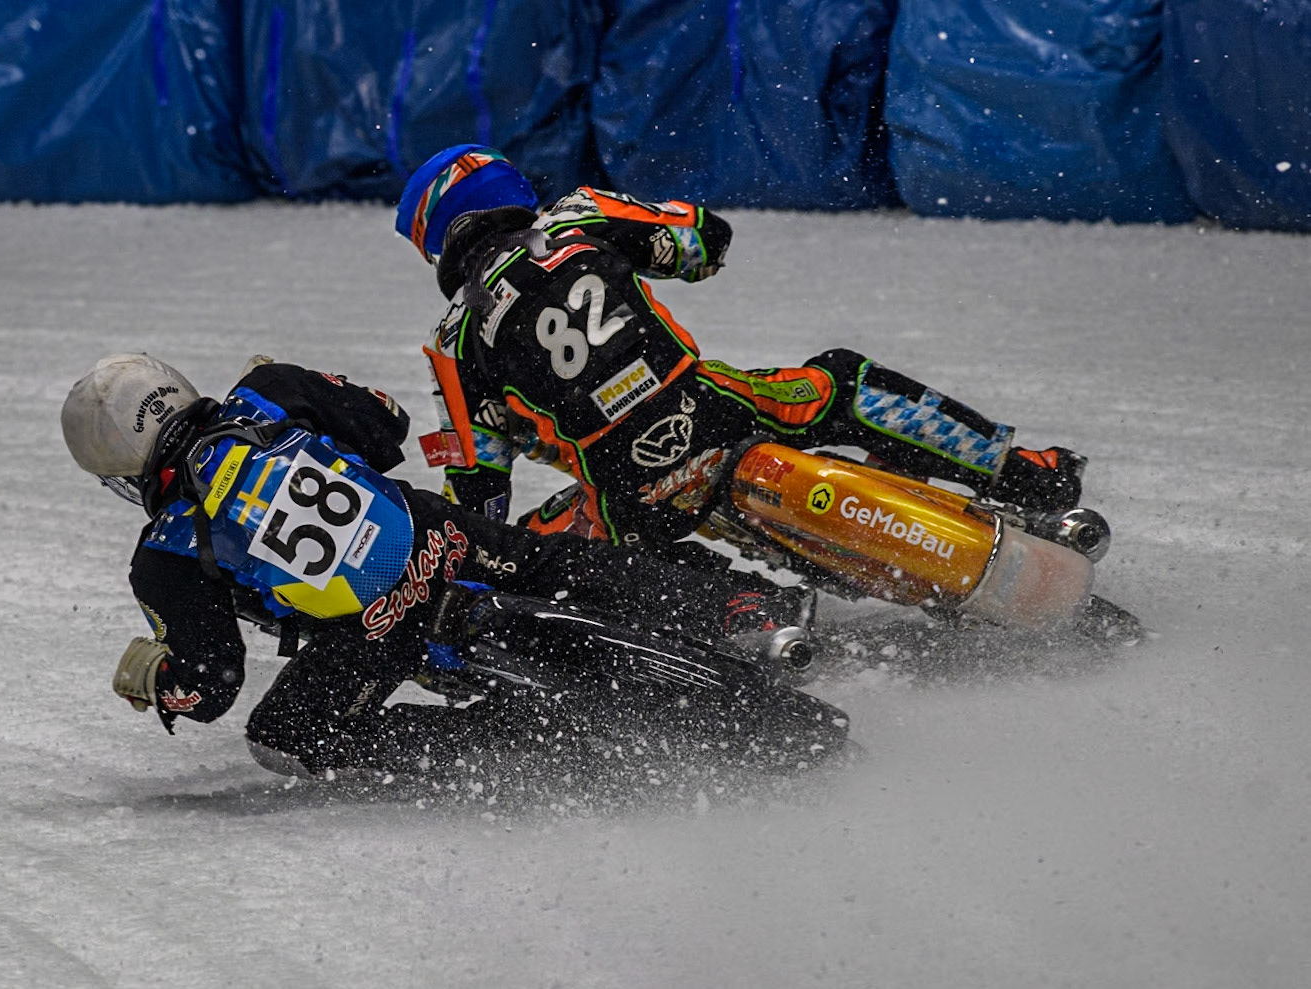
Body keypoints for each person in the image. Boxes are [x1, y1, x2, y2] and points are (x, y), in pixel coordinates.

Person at [60, 353, 839, 781]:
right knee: (553, 556)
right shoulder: (266, 392)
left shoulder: (160, 555)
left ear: (121, 471)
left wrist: (159, 679)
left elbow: (212, 687)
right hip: (441, 539)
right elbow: (388, 427)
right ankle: (745, 610)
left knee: (285, 737)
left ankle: (541, 751)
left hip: (369, 633)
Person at [396, 144, 1088, 548]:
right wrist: (665, 244)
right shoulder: (578, 215)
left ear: (437, 234)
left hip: (622, 491)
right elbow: (705, 240)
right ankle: (1026, 474)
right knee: (840, 381)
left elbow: (477, 492)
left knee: (529, 549)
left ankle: (741, 616)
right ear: (505, 185)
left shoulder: (451, 342)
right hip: (716, 408)